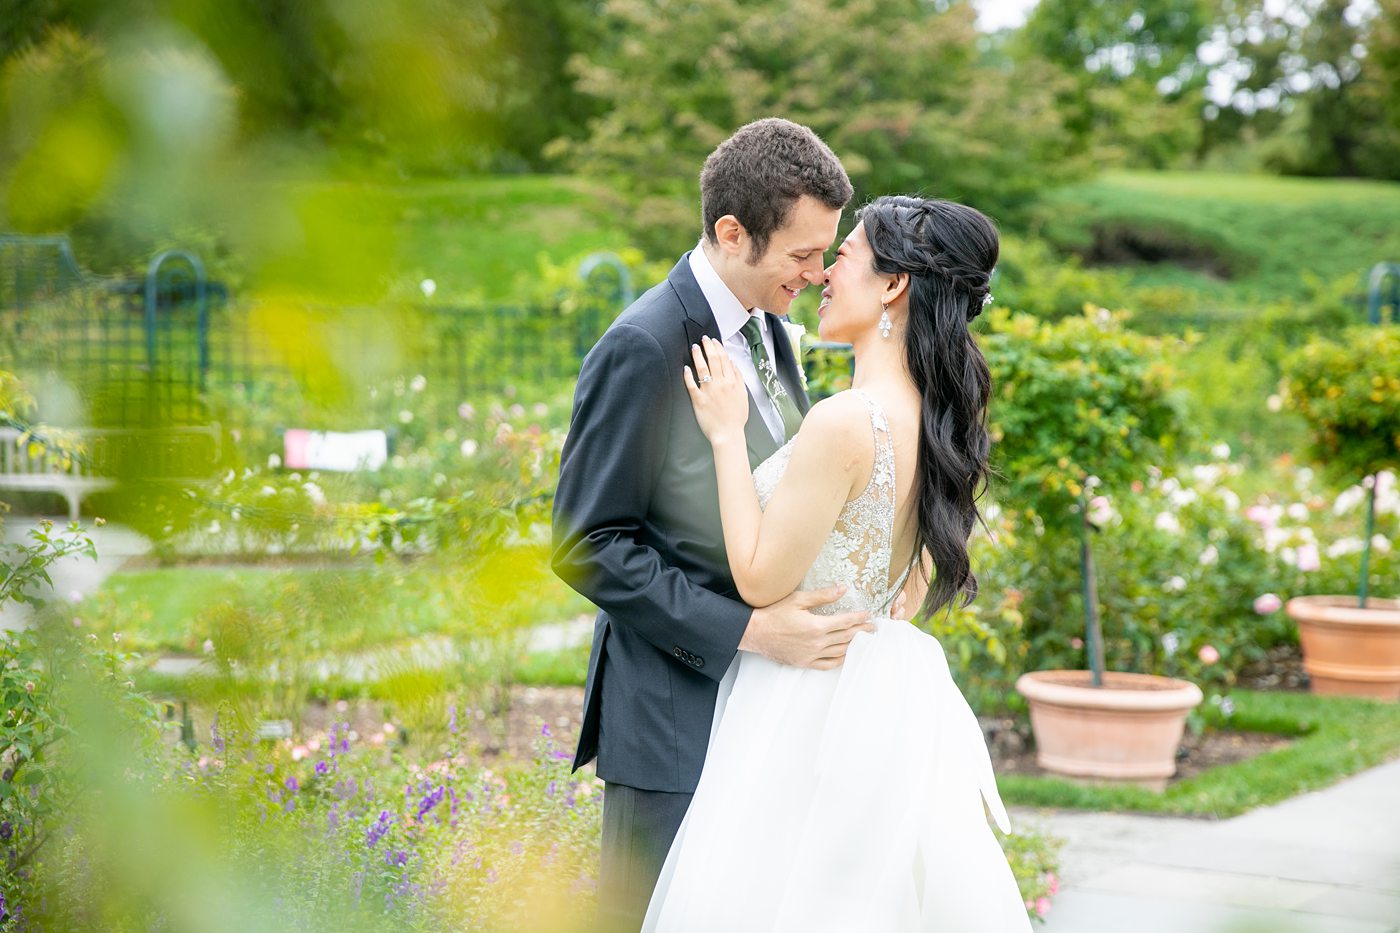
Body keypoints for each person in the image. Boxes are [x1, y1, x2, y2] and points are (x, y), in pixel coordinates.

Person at [643, 195, 1033, 931]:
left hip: (804, 696)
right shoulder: (935, 419)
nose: (823, 274)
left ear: (894, 285)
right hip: (877, 688)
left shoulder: (846, 420)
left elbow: (759, 577)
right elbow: (907, 590)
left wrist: (727, 435)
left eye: (844, 256)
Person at [551, 118, 874, 931]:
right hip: (668, 717)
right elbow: (588, 543)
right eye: (802, 254)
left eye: (825, 251)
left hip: (761, 710)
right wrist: (750, 632)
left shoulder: (769, 328)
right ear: (732, 233)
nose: (818, 272)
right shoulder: (643, 344)